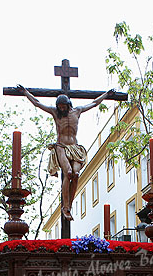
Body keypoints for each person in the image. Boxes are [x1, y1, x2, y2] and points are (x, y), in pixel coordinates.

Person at [17, 84, 116, 221]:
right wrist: (25, 92)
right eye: (60, 107)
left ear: (68, 104)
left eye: (63, 106)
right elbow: (37, 103)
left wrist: (106, 95)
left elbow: (94, 103)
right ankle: (65, 207)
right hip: (61, 146)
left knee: (76, 174)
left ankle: (69, 203)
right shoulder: (55, 113)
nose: (61, 109)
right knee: (68, 172)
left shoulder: (78, 111)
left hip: (74, 147)